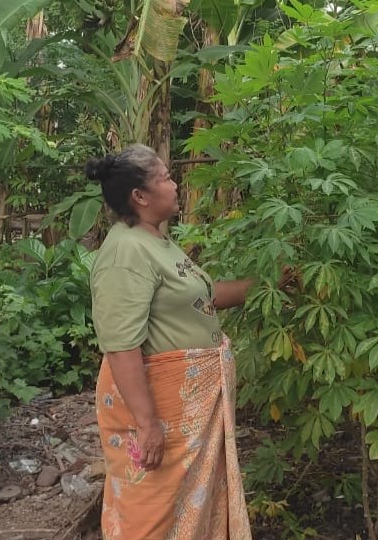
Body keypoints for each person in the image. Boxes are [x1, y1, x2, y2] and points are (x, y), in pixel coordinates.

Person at [87, 144, 262, 540]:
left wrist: (266, 286)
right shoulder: (126, 252)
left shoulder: (156, 241)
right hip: (158, 406)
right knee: (150, 507)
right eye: (165, 178)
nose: (176, 184)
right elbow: (121, 345)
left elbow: (204, 296)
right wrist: (147, 423)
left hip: (183, 407)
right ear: (140, 196)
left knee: (181, 506)